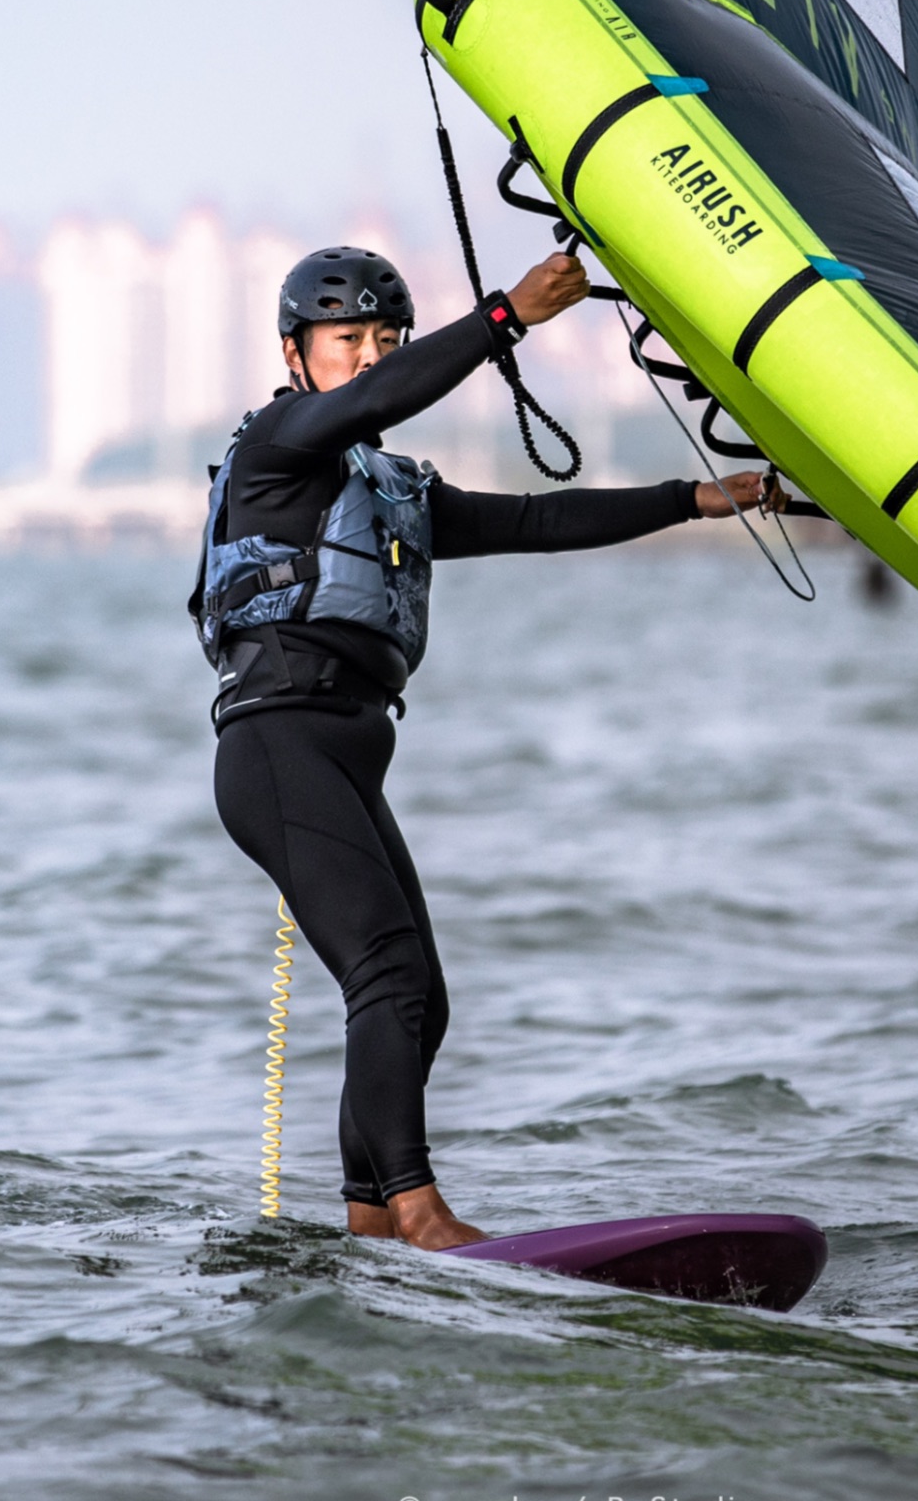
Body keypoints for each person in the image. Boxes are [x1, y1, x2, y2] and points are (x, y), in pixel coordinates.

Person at [195, 243, 780, 1250]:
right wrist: (505, 317)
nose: (370, 357)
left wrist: (693, 498)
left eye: (387, 339)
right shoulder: (279, 445)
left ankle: (371, 1216)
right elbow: (375, 403)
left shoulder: (388, 495)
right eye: (349, 340)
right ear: (297, 354)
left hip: (344, 751)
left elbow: (536, 518)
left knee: (420, 996)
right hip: (278, 745)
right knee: (386, 973)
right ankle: (421, 1210)